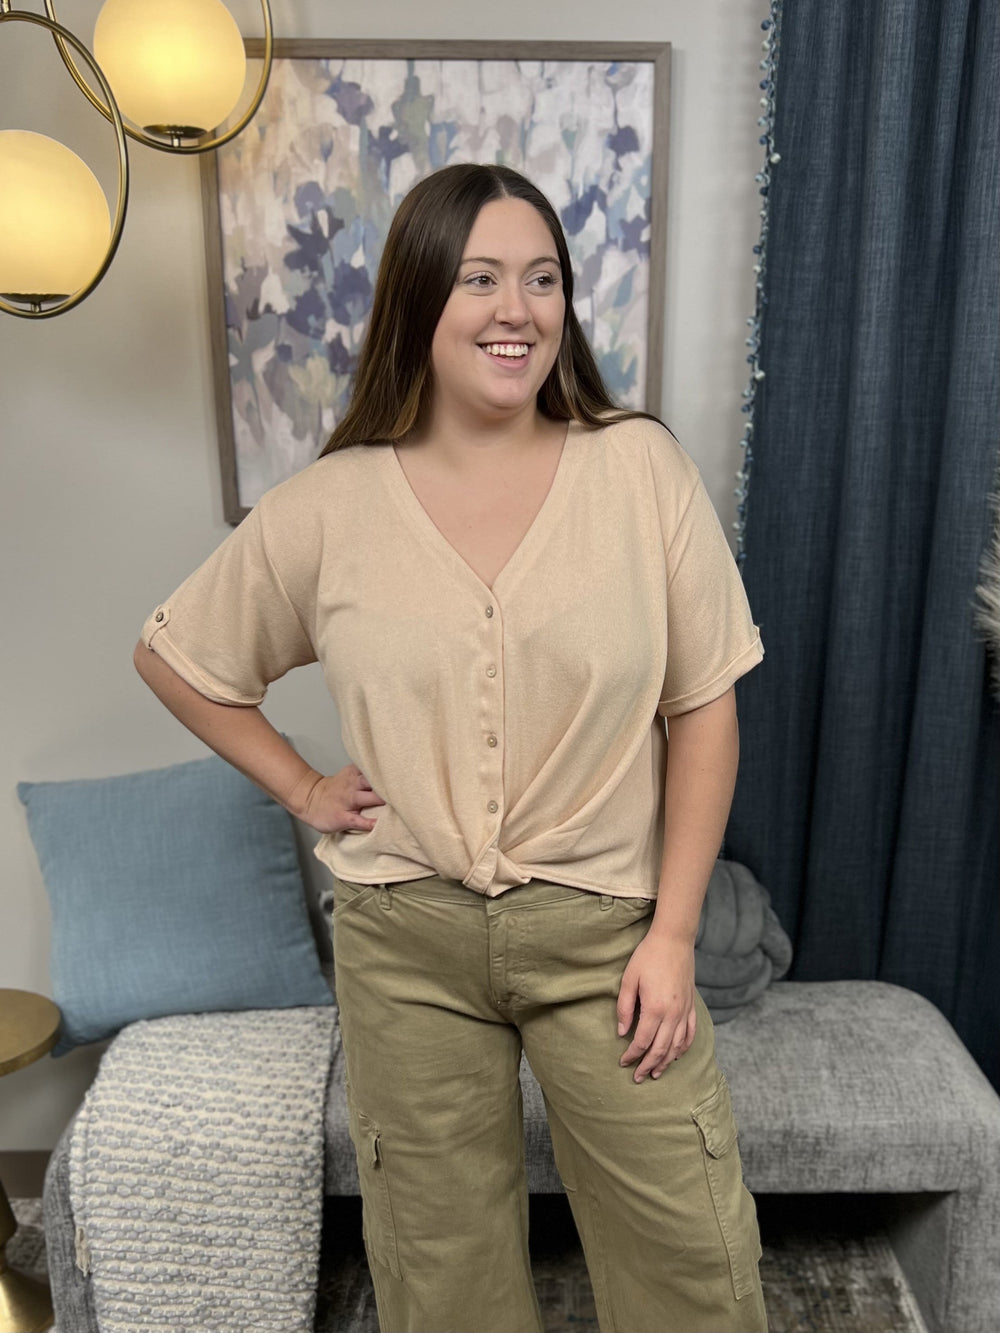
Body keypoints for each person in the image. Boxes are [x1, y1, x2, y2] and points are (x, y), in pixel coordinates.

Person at [134, 162, 768, 1333]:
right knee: (441, 1277)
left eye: (542, 279)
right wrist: (303, 785)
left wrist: (674, 933)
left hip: (603, 935)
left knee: (689, 1249)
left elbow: (704, 709)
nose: (515, 309)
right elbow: (178, 656)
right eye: (479, 278)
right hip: (404, 945)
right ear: (420, 296)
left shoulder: (638, 470)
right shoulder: (331, 505)